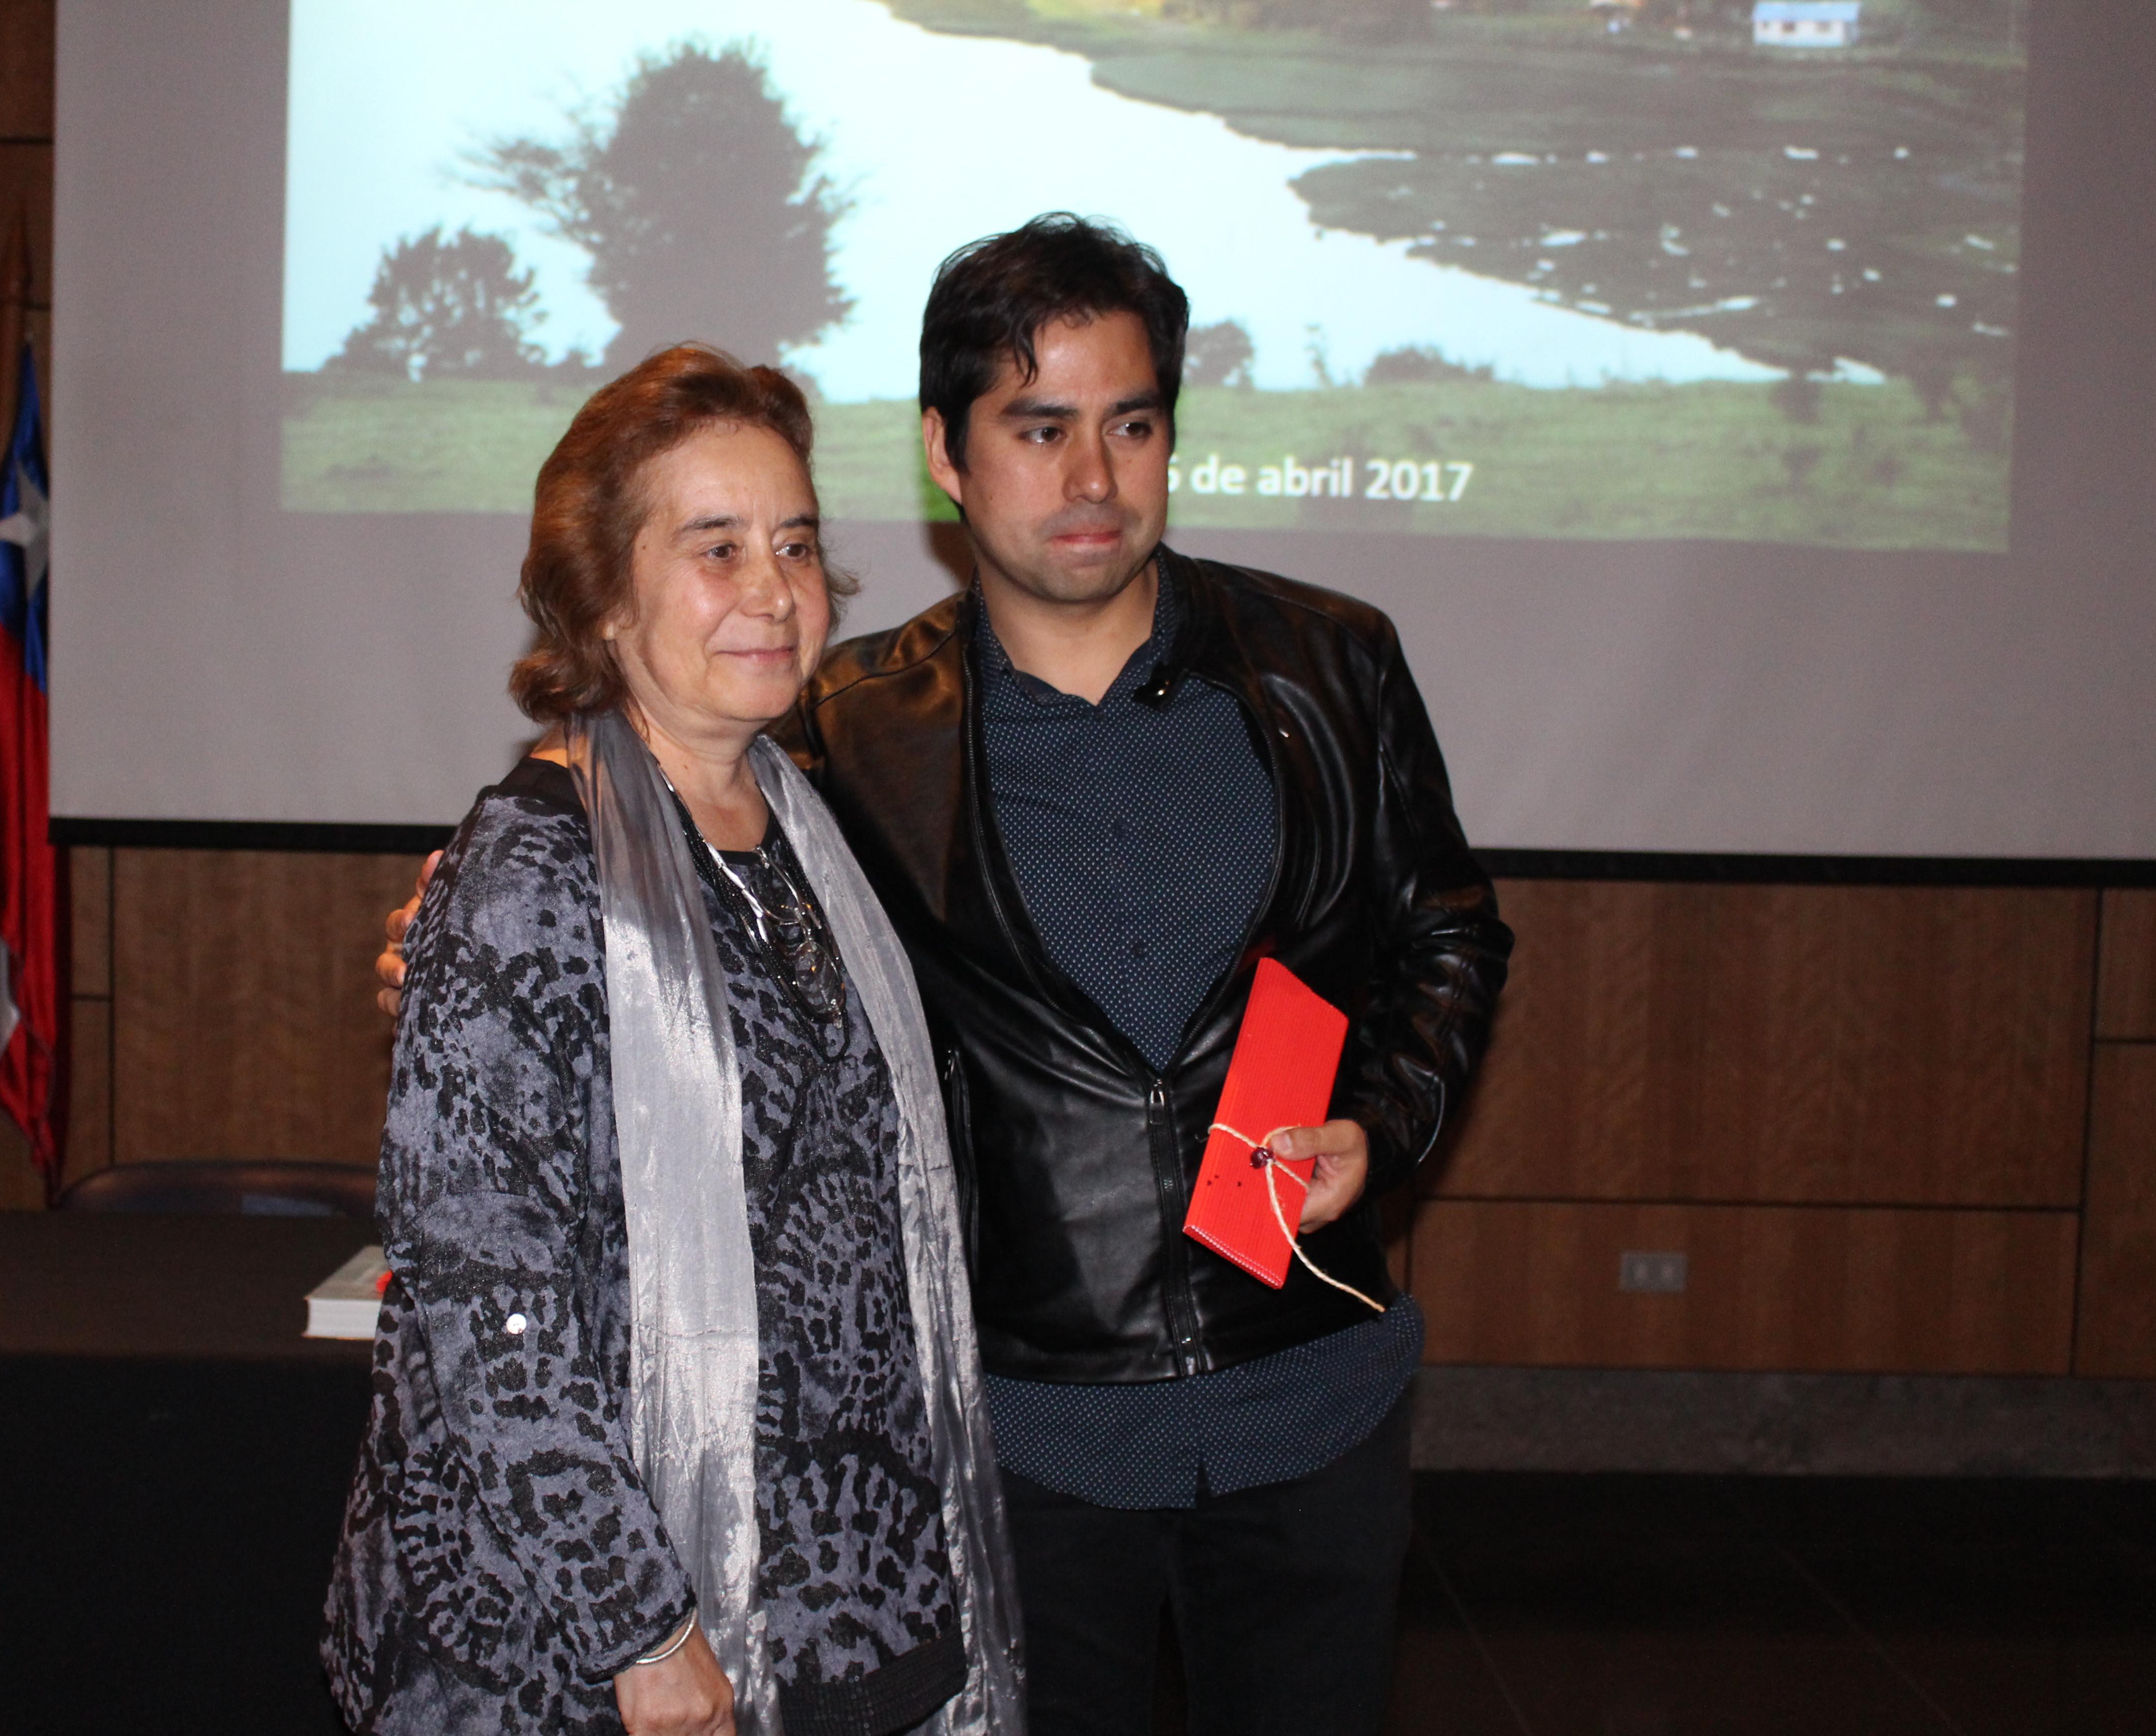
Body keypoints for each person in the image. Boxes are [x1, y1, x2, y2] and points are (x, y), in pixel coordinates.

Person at [381, 216, 1512, 1734]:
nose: (1092, 478)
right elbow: (647, 876)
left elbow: (1446, 928)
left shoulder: (1333, 664)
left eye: (1130, 425)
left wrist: (1386, 1117)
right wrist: (466, 948)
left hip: (1313, 1393)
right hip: (1018, 1438)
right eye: (1038, 429)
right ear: (946, 450)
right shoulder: (842, 733)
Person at [326, 346, 1024, 1736]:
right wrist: (641, 1625)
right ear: (604, 593)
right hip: (595, 1647)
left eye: (798, 544)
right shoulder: (533, 872)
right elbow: (483, 1307)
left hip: (845, 1605)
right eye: (717, 548)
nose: (775, 590)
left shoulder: (809, 837)